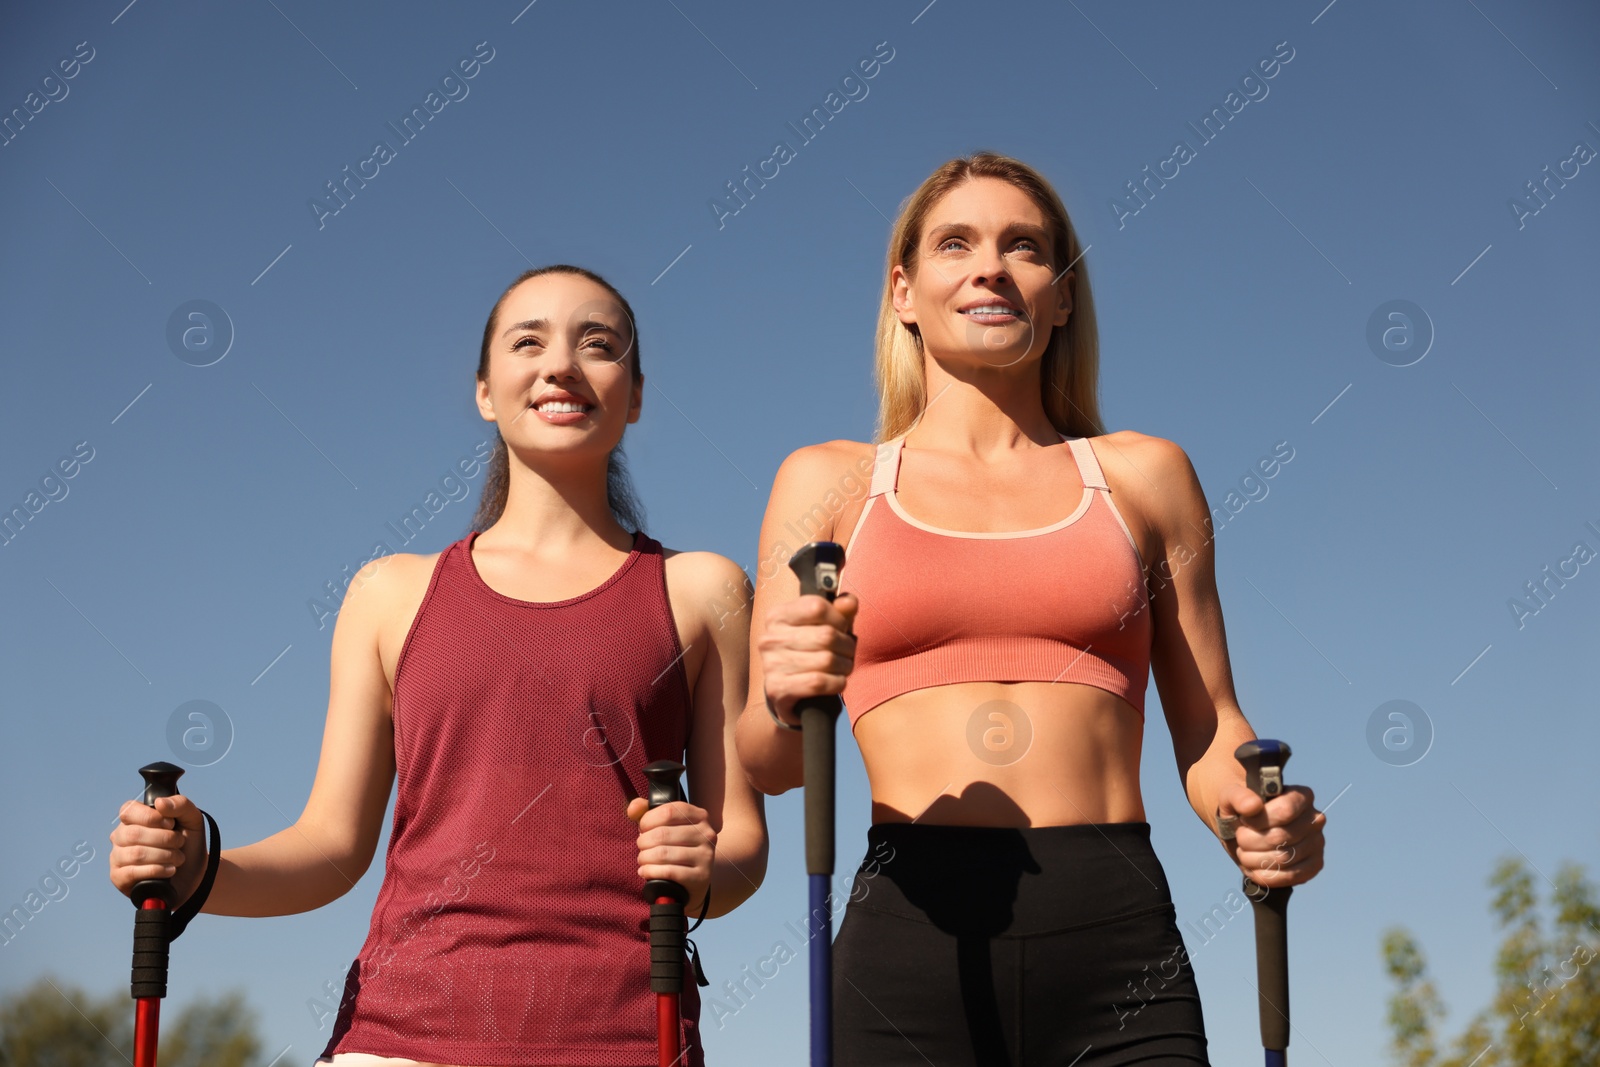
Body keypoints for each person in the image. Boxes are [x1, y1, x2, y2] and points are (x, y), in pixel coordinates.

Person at [737, 152, 1328, 1066]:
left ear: (1060, 297)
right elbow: (770, 762)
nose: (990, 266)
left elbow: (1212, 733)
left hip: (1118, 940)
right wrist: (782, 689)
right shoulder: (829, 484)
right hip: (908, 936)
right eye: (955, 244)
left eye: (1025, 247)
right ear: (904, 290)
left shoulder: (1145, 476)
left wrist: (1255, 820)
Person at [110, 265, 768, 1067]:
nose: (561, 363)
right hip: (402, 1039)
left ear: (634, 394)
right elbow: (330, 846)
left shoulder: (704, 589)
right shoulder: (389, 593)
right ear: (486, 389)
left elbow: (740, 848)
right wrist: (195, 869)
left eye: (597, 344)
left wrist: (702, 870)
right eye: (528, 341)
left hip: (627, 1037)